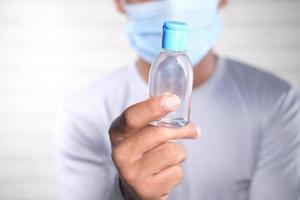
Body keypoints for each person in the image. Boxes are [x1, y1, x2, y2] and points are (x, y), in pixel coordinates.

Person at [55, 0, 300, 199]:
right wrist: (126, 195)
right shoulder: (84, 113)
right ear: (119, 2)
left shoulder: (278, 104)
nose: (173, 4)